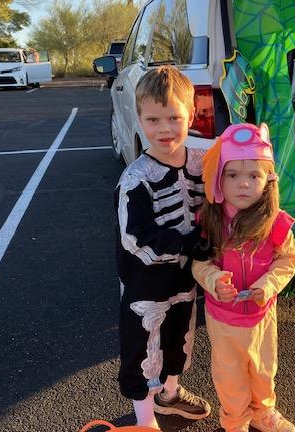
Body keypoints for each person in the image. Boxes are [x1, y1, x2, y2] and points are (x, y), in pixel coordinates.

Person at [115, 65, 211, 429]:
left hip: (185, 279)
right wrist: (187, 244)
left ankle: (170, 394)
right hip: (146, 285)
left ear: (192, 115)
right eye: (153, 120)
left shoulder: (202, 164)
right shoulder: (135, 178)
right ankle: (145, 420)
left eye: (174, 118)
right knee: (143, 348)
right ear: (139, 119)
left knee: (179, 338)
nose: (164, 129)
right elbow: (134, 237)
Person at [193, 123, 295, 432]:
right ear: (218, 178)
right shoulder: (210, 221)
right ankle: (235, 420)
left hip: (261, 316)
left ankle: (264, 413)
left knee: (264, 369)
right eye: (232, 175)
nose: (243, 184)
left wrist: (268, 285)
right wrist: (214, 281)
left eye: (254, 176)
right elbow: (199, 263)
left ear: (268, 181)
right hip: (223, 318)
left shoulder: (274, 223)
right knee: (230, 375)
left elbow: (288, 258)